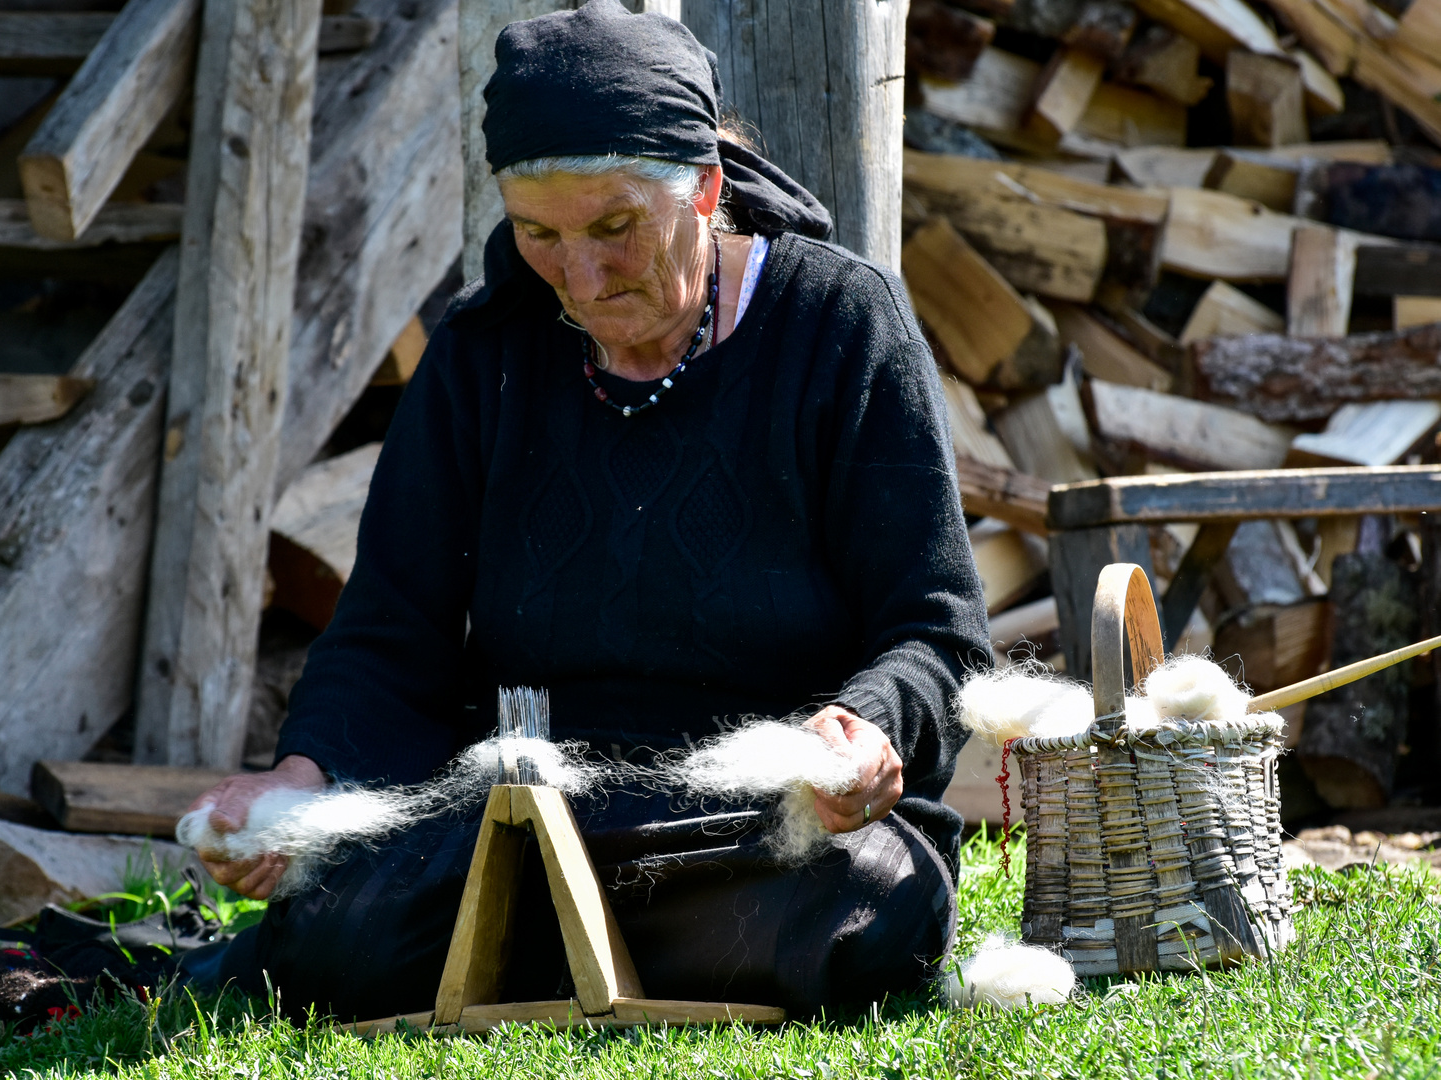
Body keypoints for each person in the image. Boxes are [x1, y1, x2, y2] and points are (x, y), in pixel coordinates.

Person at [182, 0, 989, 1020]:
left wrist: (867, 730)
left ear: (705, 188)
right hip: (526, 814)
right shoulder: (483, 356)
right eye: (538, 235)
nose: (582, 275)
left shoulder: (840, 325)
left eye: (616, 228)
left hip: (764, 829)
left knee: (865, 900)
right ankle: (570, 928)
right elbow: (391, 637)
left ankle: (536, 941)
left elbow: (937, 633)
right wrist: (298, 780)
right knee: (337, 920)